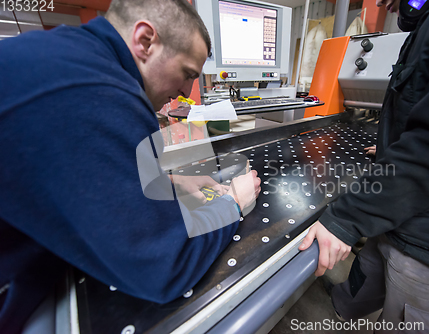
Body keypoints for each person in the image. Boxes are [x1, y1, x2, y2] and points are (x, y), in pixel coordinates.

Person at [0, 0, 260, 333]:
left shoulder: (71, 57)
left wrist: (169, 182)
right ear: (145, 41)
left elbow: (79, 168)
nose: (185, 93)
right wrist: (232, 204)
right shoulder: (101, 93)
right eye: (187, 74)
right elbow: (165, 267)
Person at [299, 0, 429, 331]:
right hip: (401, 212)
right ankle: (341, 307)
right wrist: (395, 147)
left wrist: (344, 219)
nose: (381, 3)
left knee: (406, 316)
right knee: (366, 274)